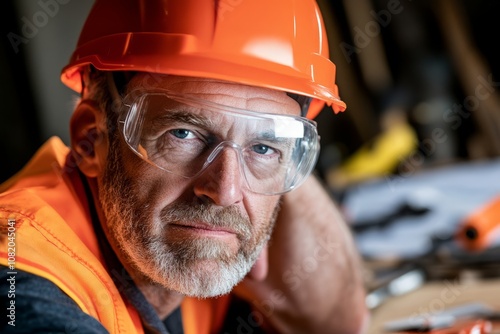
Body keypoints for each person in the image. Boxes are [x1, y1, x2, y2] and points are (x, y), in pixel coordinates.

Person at [0, 0, 368, 332]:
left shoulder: (173, 253)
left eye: (264, 147)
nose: (224, 192)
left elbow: (338, 325)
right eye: (183, 134)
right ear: (90, 139)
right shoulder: (23, 286)